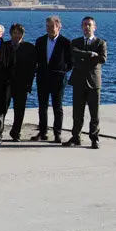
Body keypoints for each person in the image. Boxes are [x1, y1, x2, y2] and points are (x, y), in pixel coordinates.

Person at [66, 17, 107, 149]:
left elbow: (102, 59)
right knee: (77, 112)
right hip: (78, 81)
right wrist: (89, 54)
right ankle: (76, 137)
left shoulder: (100, 43)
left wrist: (84, 57)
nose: (87, 27)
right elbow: (74, 54)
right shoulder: (76, 42)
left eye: (89, 25)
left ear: (94, 27)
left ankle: (94, 138)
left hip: (94, 83)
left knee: (94, 113)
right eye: (84, 25)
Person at [33, 15, 73, 143]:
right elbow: (36, 59)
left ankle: (57, 133)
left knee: (57, 107)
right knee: (42, 106)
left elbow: (70, 62)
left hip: (58, 79)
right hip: (42, 78)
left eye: (52, 26)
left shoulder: (66, 42)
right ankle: (43, 132)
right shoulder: (40, 41)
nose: (50, 29)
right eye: (48, 26)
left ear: (59, 27)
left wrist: (61, 71)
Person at [7, 23, 36, 141]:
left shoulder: (29, 48)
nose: (17, 35)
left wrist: (29, 83)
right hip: (7, 83)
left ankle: (16, 132)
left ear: (23, 35)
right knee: (2, 108)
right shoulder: (5, 46)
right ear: (11, 34)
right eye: (14, 33)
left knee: (19, 110)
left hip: (22, 84)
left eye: (19, 33)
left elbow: (33, 67)